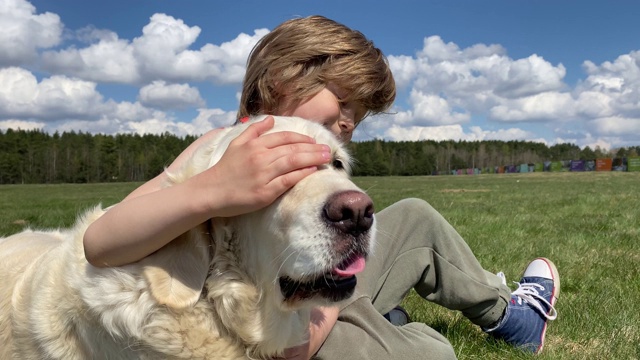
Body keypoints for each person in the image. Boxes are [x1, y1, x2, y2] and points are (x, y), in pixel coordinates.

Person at [83, 15, 559, 360]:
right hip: (288, 324)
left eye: (362, 111)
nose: (351, 119)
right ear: (279, 79)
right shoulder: (218, 151)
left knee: (416, 216)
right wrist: (209, 190)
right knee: (426, 351)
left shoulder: (327, 159)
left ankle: (511, 318)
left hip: (331, 280)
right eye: (344, 98)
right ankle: (388, 323)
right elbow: (100, 242)